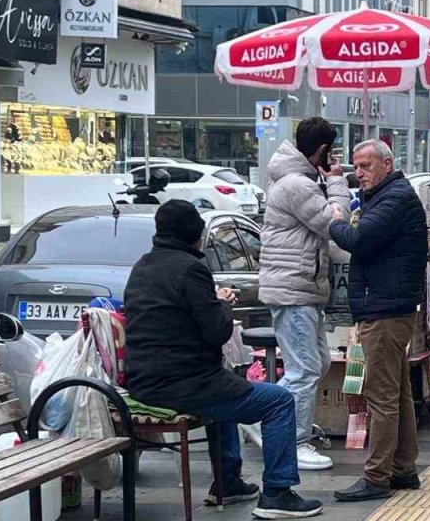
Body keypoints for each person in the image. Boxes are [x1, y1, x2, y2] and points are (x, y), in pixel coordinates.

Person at [124, 200, 323, 518]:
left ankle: (228, 483)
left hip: (142, 380)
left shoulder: (142, 266)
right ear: (197, 235)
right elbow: (216, 331)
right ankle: (277, 492)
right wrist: (221, 303)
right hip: (183, 384)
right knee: (279, 401)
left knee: (230, 387)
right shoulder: (192, 269)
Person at [328, 140, 428, 502]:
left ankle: (377, 476)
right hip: (389, 306)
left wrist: (334, 222)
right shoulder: (387, 195)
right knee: (397, 393)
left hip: (385, 310)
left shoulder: (394, 198)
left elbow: (359, 238)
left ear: (387, 164)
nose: (360, 173)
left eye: (366, 166)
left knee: (381, 395)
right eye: (356, 166)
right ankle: (403, 468)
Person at [259, 118, 352, 471]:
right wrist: (338, 183)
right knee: (304, 368)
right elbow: (333, 224)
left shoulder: (299, 179)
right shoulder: (298, 184)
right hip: (293, 288)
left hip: (302, 287)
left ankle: (264, 417)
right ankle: (293, 440)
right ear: (324, 150)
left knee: (317, 363)